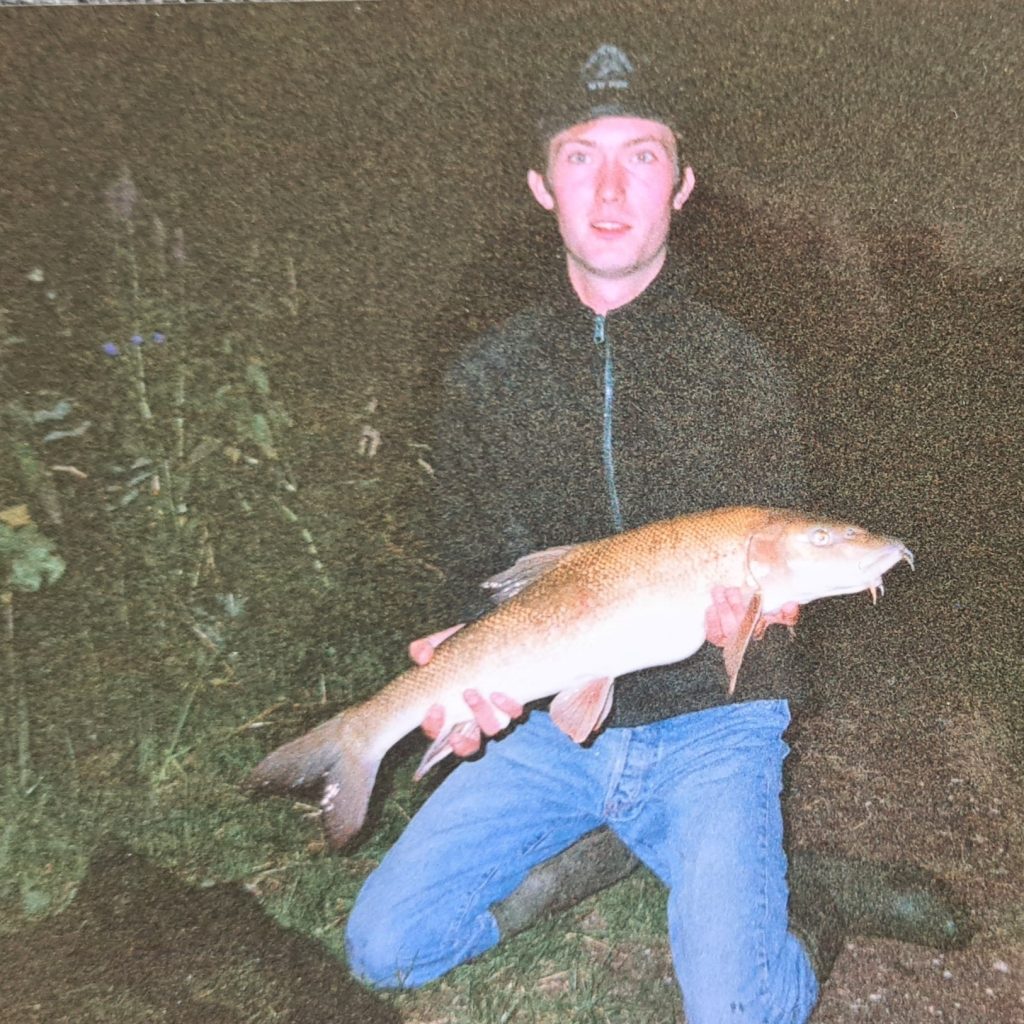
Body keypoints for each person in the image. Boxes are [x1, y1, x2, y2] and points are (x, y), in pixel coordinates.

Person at [345, 43, 968, 1021]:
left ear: (679, 186)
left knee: (736, 1010)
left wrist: (759, 631)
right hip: (553, 734)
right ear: (540, 186)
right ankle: (592, 848)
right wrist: (455, 657)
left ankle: (790, 917)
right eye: (581, 154)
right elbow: (476, 572)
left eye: (640, 156)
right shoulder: (485, 380)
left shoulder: (742, 371)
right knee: (385, 947)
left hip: (708, 734)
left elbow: (780, 610)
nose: (608, 187)